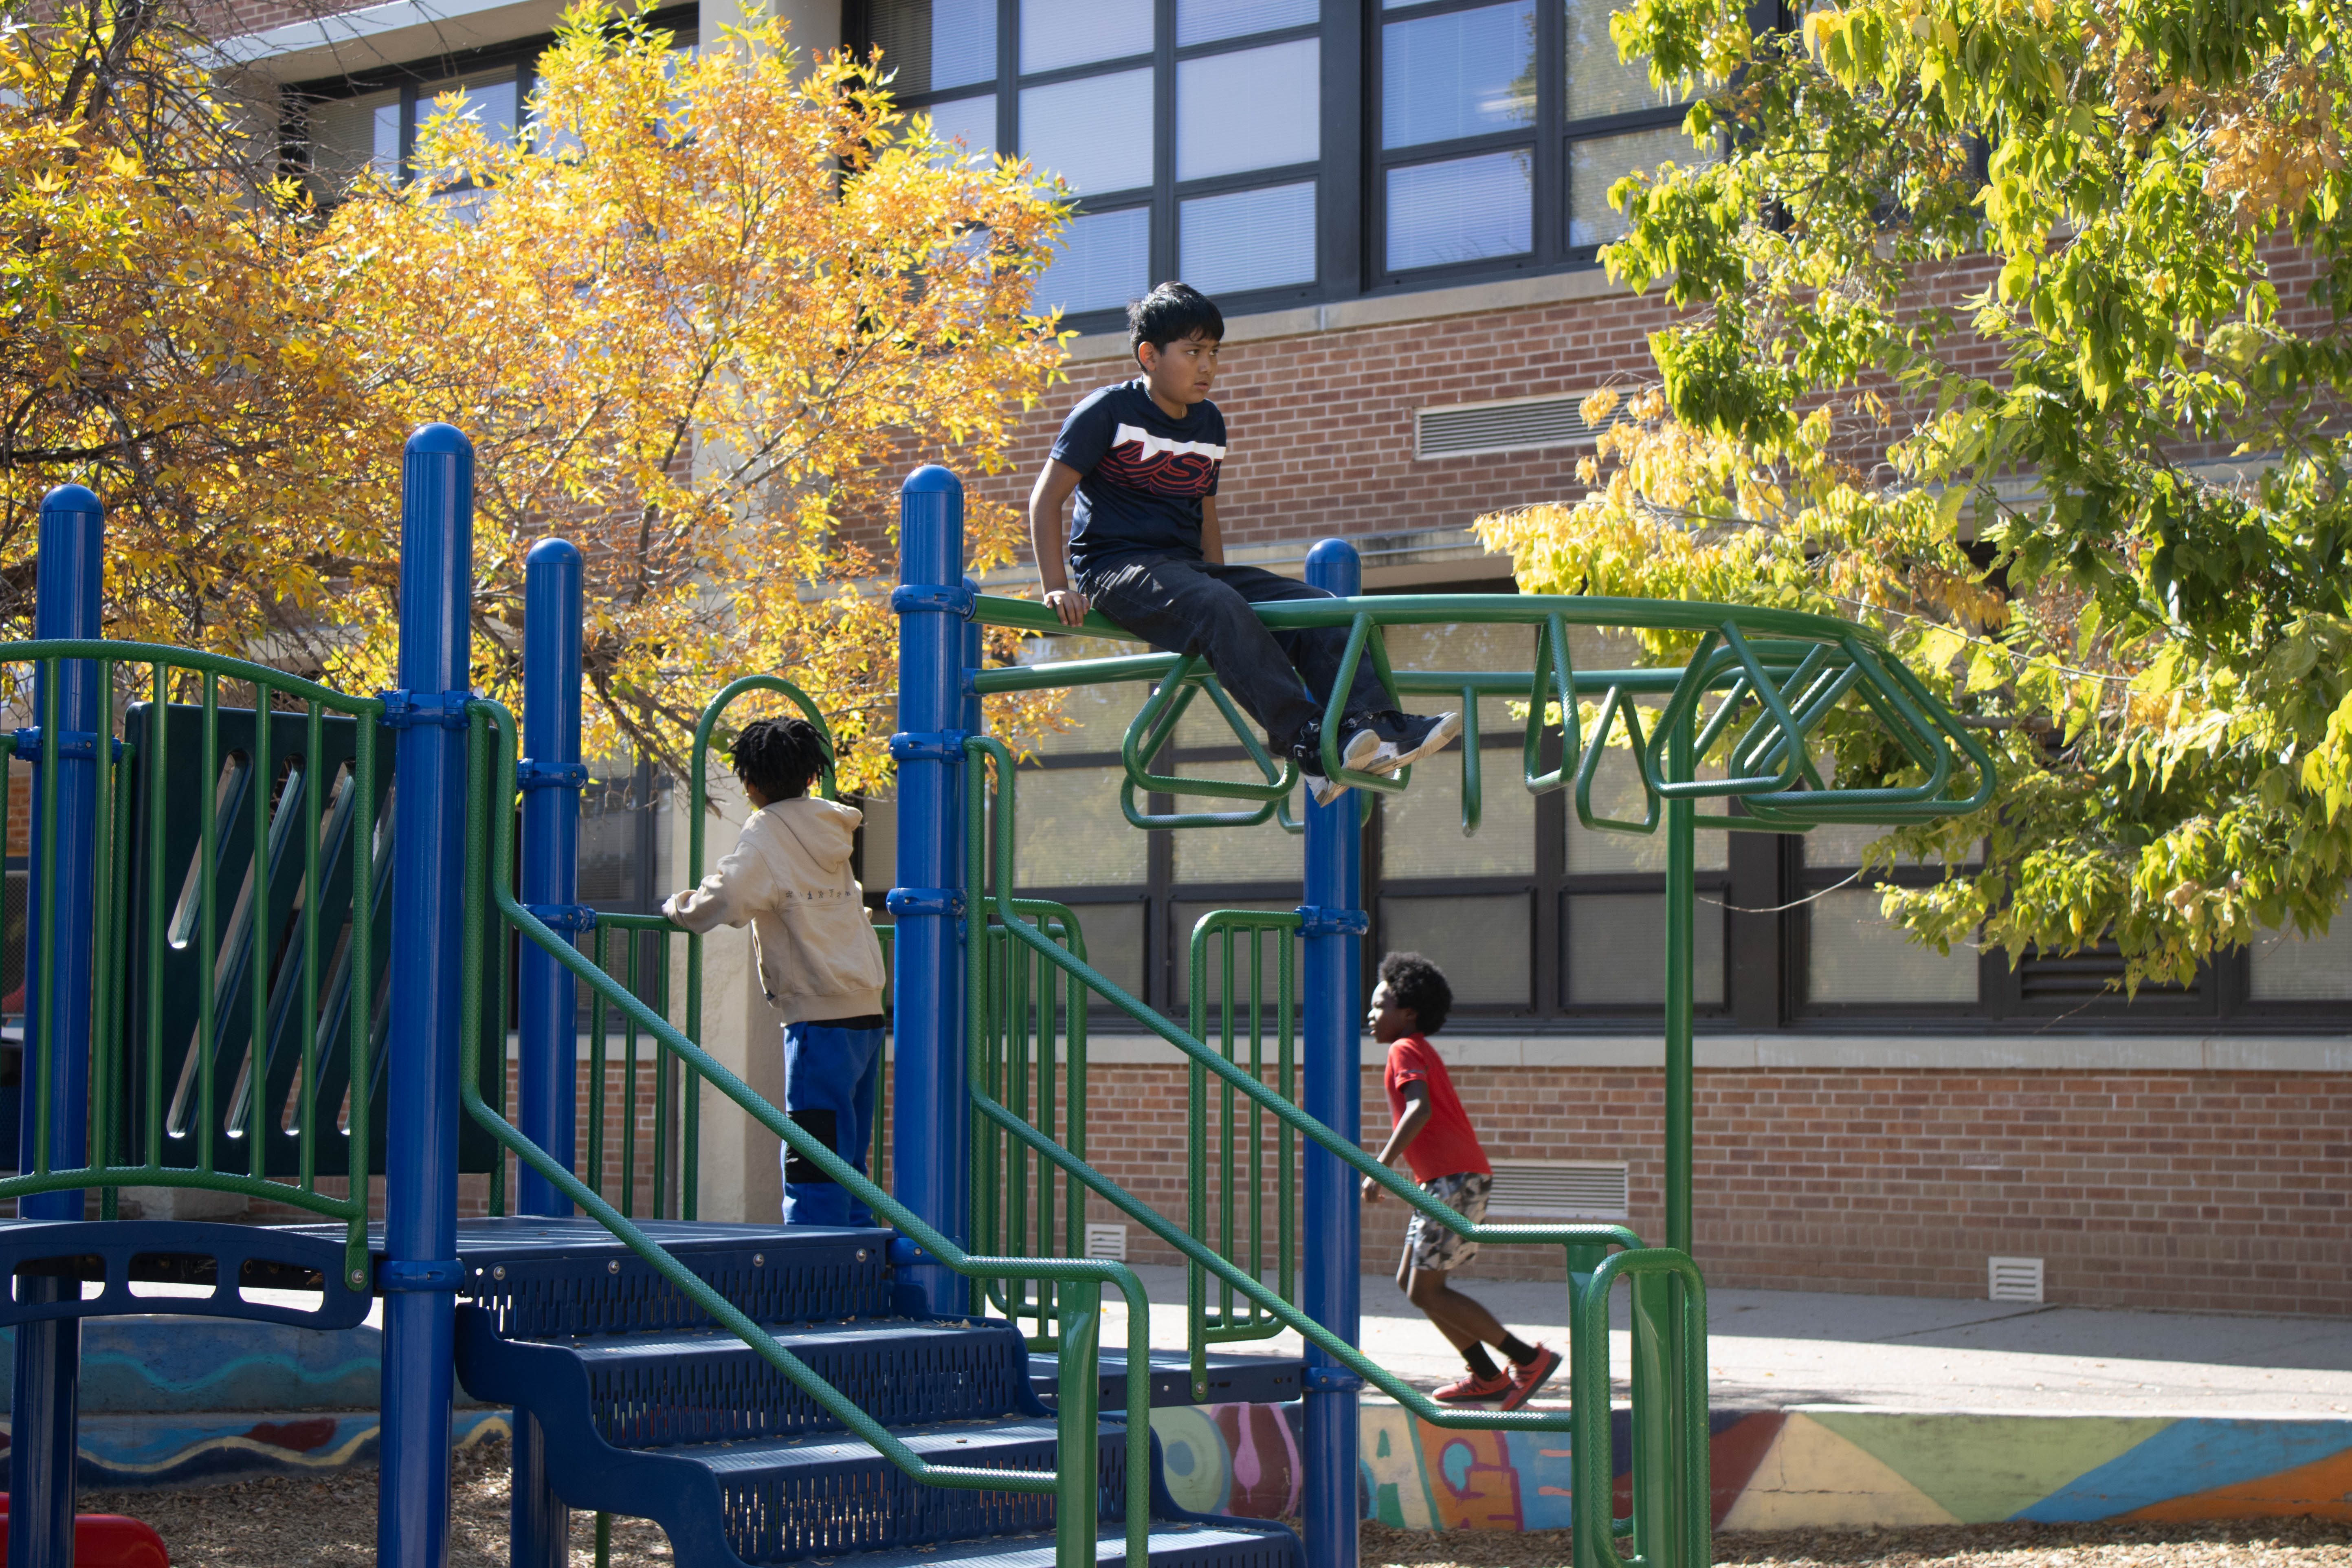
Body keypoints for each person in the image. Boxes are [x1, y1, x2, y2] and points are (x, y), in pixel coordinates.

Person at [1027, 280, 1461, 806]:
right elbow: (1045, 499)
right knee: (1215, 604)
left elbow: (1204, 513)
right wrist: (1057, 586)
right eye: (1192, 353)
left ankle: (1372, 728)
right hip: (1116, 569)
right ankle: (1306, 743)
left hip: (1188, 571)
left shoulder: (1209, 422)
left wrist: (1224, 590)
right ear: (1149, 355)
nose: (1207, 366)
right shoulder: (1106, 412)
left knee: (1322, 609)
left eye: (1213, 352)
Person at [663, 717, 888, 1227]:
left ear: (751, 783)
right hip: (865, 1006)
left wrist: (680, 908)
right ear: (812, 777)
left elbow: (731, 896)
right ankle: (856, 1258)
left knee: (812, 1151)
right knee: (845, 1148)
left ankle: (819, 1272)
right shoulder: (831, 826)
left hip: (818, 1009)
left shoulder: (766, 831)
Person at [1362, 950, 1562, 1407]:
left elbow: (1420, 1108)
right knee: (1411, 1285)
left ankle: (1526, 1359)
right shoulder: (1414, 1048)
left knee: (1426, 1289)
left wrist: (1381, 1167)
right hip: (1448, 1178)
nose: (1370, 1016)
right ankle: (1488, 1376)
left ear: (1408, 1012)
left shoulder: (1404, 1048)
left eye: (1379, 1006)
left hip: (1452, 1179)